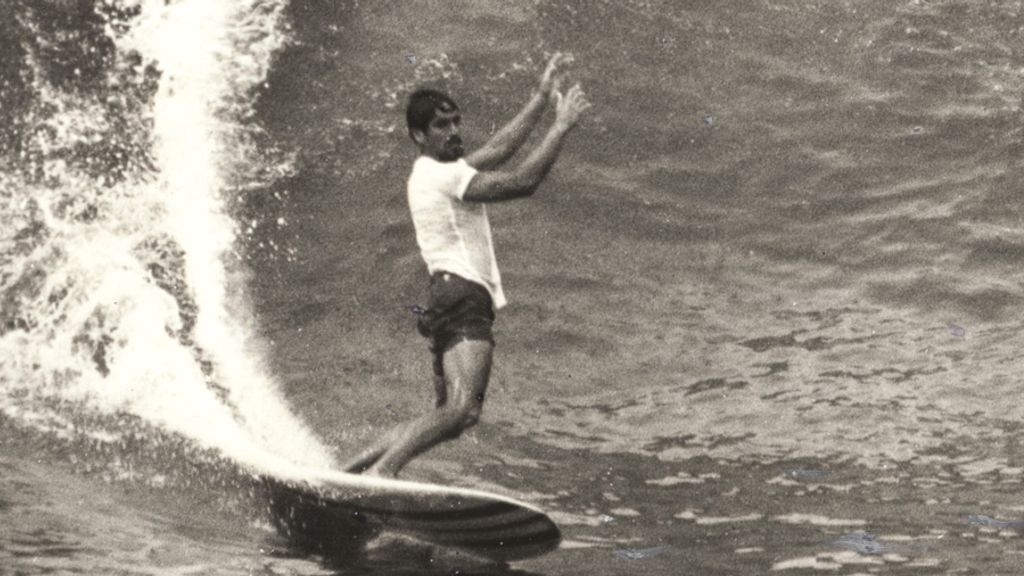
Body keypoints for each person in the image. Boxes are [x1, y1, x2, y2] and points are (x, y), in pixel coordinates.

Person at [344, 52, 591, 477]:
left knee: (448, 413)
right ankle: (383, 474)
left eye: (456, 121)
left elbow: (499, 149)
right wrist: (561, 125)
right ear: (418, 135)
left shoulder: (431, 173)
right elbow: (521, 182)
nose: (454, 131)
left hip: (443, 299)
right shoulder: (441, 175)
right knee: (461, 411)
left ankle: (350, 469)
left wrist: (538, 97)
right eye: (442, 126)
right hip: (463, 297)